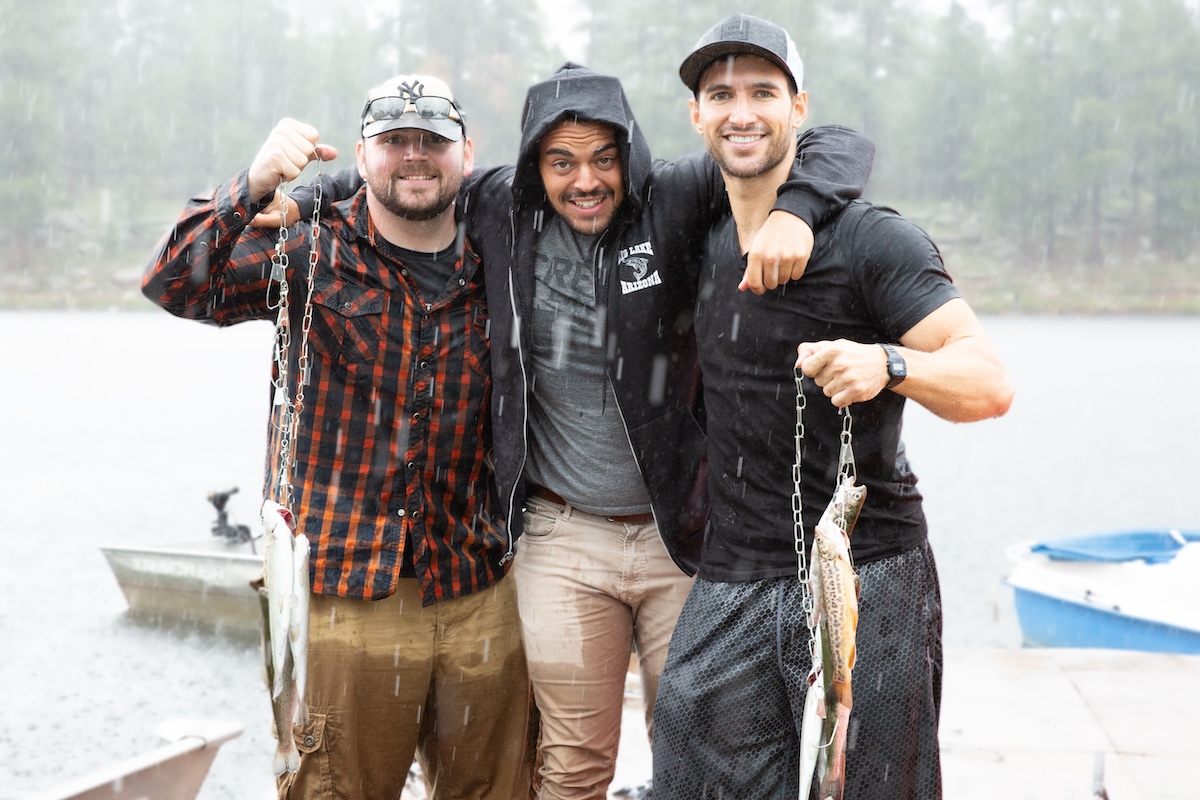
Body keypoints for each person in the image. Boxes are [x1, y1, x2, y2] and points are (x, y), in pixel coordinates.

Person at [272, 63, 873, 799]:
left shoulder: (673, 198)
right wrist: (301, 194)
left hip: (679, 536)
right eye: (561, 163)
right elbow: (397, 175)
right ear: (533, 166)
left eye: (602, 159)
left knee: (697, 740)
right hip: (560, 540)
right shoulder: (501, 207)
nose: (584, 181)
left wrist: (796, 210)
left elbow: (836, 144)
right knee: (571, 760)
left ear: (630, 155)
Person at [142, 73, 537, 799]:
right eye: (394, 143)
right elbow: (174, 281)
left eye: (432, 143)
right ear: (362, 156)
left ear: (466, 156)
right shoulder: (307, 253)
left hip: (478, 587)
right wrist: (255, 182)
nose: (414, 158)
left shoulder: (502, 267)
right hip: (342, 594)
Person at [650, 15, 1014, 800]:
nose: (740, 111)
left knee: (872, 790)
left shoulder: (871, 242)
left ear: (799, 107)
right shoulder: (700, 235)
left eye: (762, 92)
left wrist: (888, 363)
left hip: (869, 573)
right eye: (720, 94)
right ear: (696, 115)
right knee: (689, 771)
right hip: (734, 574)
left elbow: (989, 382)